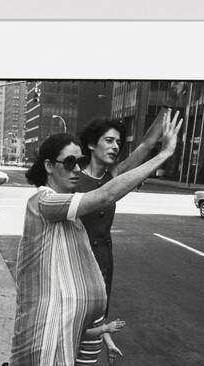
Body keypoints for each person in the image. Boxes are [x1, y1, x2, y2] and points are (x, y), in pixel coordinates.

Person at [9, 110, 182, 366]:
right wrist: (164, 155)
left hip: (51, 316)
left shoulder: (55, 199)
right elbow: (105, 195)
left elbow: (115, 174)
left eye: (76, 162)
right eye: (67, 163)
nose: (74, 169)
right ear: (50, 167)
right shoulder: (48, 200)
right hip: (55, 321)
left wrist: (155, 135)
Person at [76, 82, 187, 314]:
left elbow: (146, 144)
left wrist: (169, 102)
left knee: (98, 320)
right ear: (90, 144)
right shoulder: (73, 178)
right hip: (78, 259)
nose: (116, 146)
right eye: (109, 140)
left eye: (118, 142)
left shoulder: (114, 175)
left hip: (104, 260)